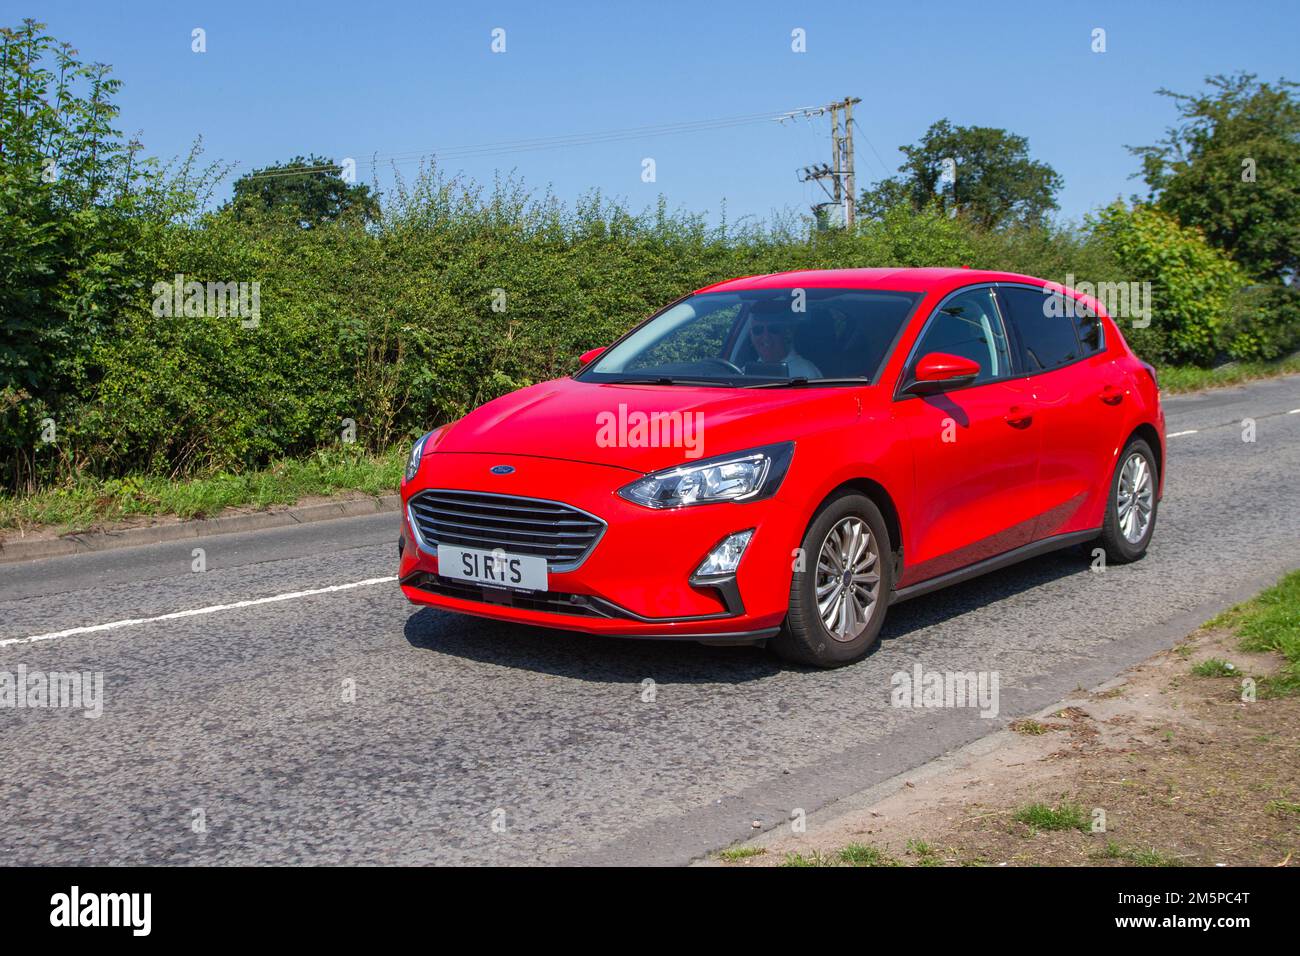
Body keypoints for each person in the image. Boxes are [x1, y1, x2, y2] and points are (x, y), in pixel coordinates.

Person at [747, 316, 822, 378]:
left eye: (773, 329)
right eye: (757, 330)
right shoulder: (745, 374)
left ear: (787, 334)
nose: (766, 337)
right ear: (751, 336)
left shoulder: (806, 372)